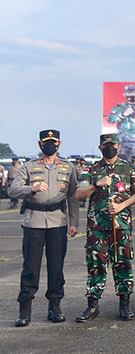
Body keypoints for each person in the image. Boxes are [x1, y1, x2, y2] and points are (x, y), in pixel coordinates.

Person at [8, 130, 79, 327]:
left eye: (53, 142)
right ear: (40, 144)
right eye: (46, 142)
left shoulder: (67, 167)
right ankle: (25, 310)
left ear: (59, 144)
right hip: (34, 222)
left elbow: (72, 196)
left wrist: (74, 222)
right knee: (30, 267)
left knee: (56, 267)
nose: (50, 145)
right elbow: (12, 190)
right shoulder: (29, 166)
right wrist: (31, 188)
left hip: (58, 222)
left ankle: (55, 308)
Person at [74, 134, 135, 322]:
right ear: (100, 148)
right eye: (106, 146)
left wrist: (122, 206)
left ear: (118, 147)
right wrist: (97, 185)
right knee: (96, 266)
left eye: (112, 145)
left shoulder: (129, 168)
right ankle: (92, 306)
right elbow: (79, 194)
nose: (109, 148)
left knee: (123, 264)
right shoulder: (91, 169)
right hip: (97, 228)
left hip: (121, 226)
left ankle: (125, 305)